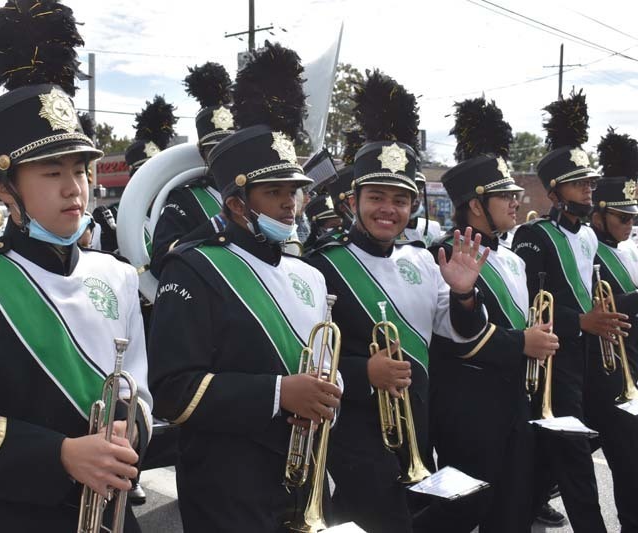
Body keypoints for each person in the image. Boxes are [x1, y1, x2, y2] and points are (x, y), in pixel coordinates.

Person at [0, 2, 152, 531]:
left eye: (81, 169)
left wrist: (129, 435)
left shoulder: (116, 275)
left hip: (111, 511)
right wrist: (60, 455)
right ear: (5, 190)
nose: (75, 188)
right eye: (51, 172)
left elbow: (139, 392)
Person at [149, 41, 342, 533]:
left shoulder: (309, 273)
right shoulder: (194, 268)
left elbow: (320, 363)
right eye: (272, 192)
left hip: (299, 473)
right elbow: (173, 391)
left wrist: (327, 392)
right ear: (236, 204)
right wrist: (281, 394)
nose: (289, 205)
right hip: (225, 482)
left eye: (293, 191)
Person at [306, 69, 489, 533]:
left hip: (418, 424)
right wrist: (361, 371)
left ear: (413, 206)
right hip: (353, 429)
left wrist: (465, 292)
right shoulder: (320, 265)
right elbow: (303, 358)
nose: (389, 208)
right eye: (377, 197)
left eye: (400, 200)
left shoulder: (425, 260)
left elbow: (456, 332)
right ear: (353, 200)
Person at [419, 97, 556, 533]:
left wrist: (534, 336)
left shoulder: (512, 258)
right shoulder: (439, 252)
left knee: (513, 509)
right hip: (467, 409)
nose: (516, 202)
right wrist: (524, 343)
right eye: (506, 196)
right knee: (461, 512)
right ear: (477, 205)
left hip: (515, 398)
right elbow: (453, 337)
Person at [512, 89, 628, 532]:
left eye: (591, 184)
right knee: (576, 460)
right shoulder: (534, 236)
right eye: (581, 184)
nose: (589, 190)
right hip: (552, 360)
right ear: (556, 190)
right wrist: (579, 321)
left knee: (561, 451)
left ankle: (520, 510)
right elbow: (524, 305)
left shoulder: (588, 237)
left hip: (586, 359)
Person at [586, 128, 638, 532]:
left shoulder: (627, 253)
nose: (630, 224)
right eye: (623, 217)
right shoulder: (586, 251)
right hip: (601, 375)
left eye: (634, 217)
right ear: (598, 214)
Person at [149, 62, 234, 276]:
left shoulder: (260, 194)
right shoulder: (185, 199)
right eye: (215, 149)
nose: (225, 156)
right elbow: (161, 261)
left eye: (231, 147)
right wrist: (219, 223)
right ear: (203, 153)